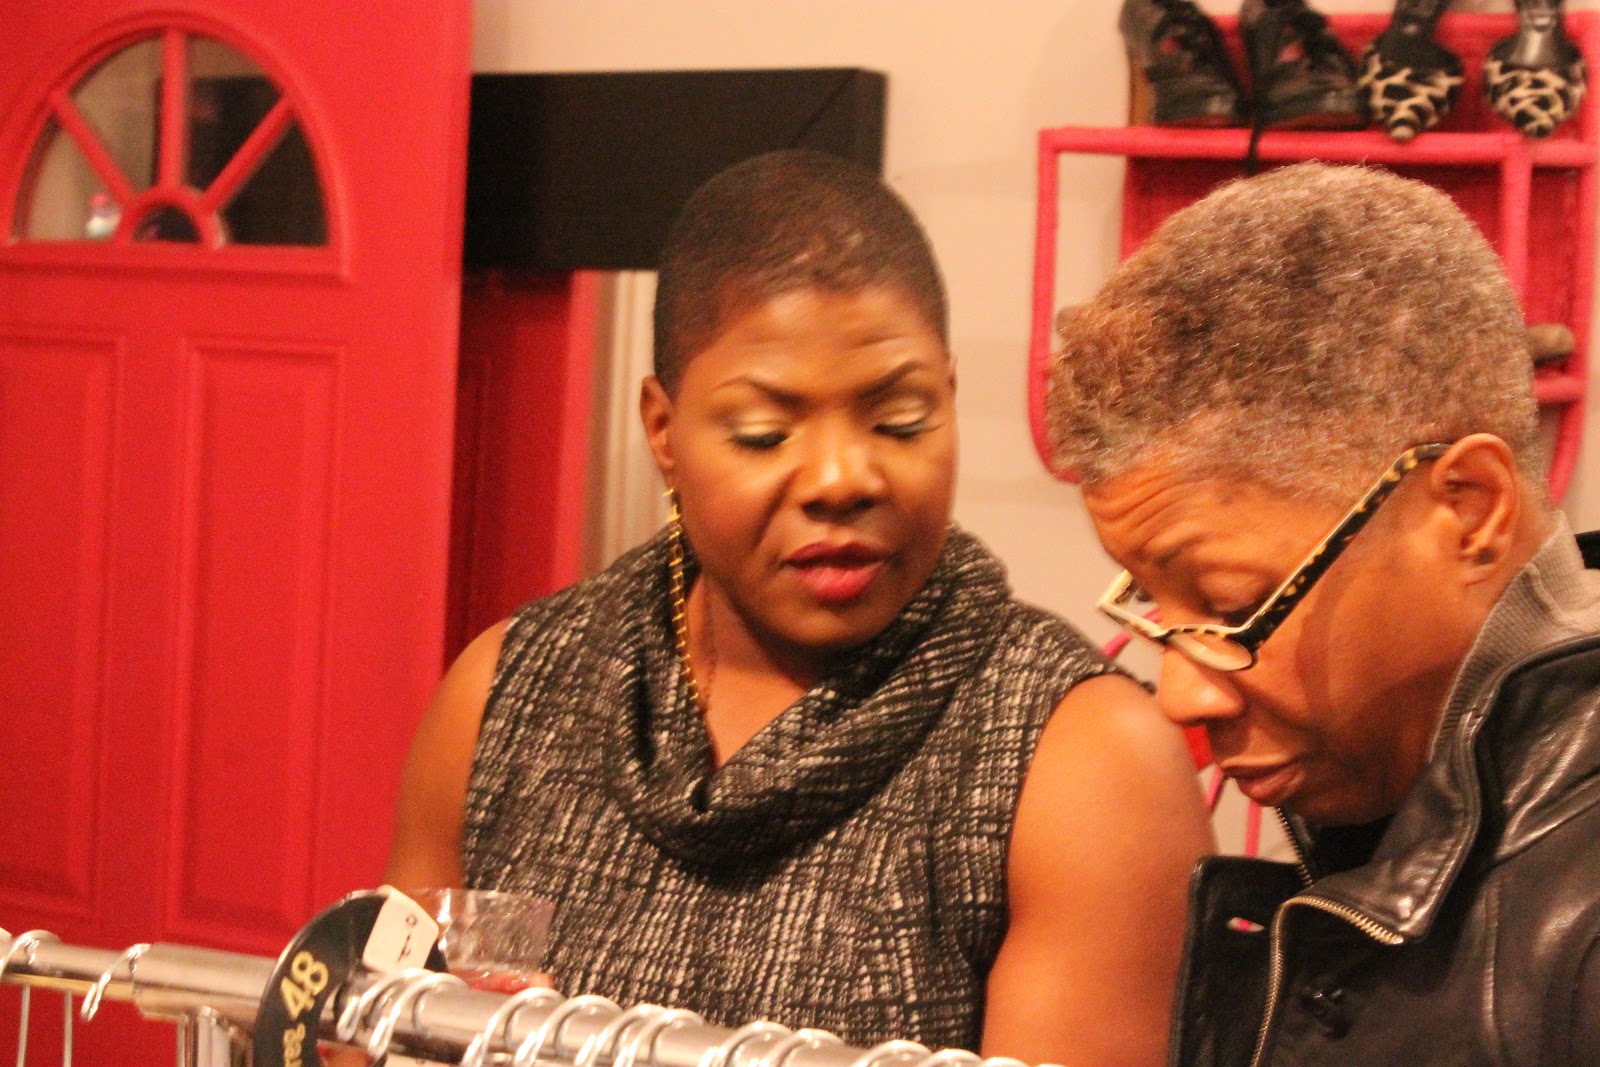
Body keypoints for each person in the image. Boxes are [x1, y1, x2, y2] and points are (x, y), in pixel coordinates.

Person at [385, 149, 1212, 1066]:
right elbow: (392, 1031)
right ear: (663, 431)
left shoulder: (1080, 759)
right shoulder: (512, 692)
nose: (842, 478)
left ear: (949, 397)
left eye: (900, 421)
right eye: (764, 433)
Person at [1049, 160, 1600, 1067]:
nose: (1181, 695)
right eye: (1151, 600)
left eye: (1234, 604)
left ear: (1468, 508)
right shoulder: (1379, 801)